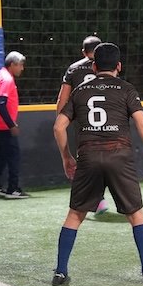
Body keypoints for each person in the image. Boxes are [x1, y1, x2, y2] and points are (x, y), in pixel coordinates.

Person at [52, 42, 143, 286]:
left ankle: (60, 272)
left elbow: (59, 127)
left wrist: (66, 157)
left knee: (75, 215)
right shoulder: (126, 89)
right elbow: (142, 124)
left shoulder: (80, 91)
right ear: (119, 66)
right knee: (135, 214)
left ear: (94, 66)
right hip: (119, 155)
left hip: (88, 156)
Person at [56, 35, 109, 214]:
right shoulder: (107, 65)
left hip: (83, 120)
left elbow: (62, 98)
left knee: (86, 158)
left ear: (83, 52)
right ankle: (101, 196)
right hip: (107, 119)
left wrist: (61, 119)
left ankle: (94, 199)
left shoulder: (73, 69)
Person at [0, 51, 30, 199]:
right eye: (20, 65)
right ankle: (13, 189)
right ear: (12, 65)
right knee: (13, 155)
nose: (22, 68)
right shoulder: (7, 80)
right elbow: (1, 103)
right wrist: (11, 125)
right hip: (2, 126)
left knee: (3, 155)